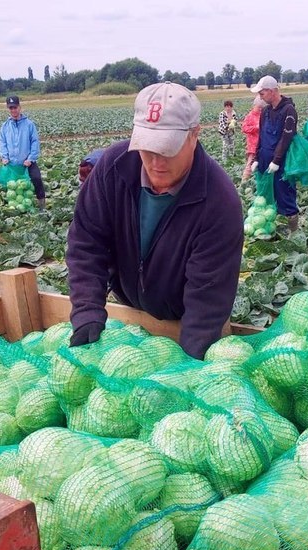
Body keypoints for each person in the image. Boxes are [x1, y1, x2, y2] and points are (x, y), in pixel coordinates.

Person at [66, 82, 244, 359]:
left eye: (167, 149)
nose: (156, 161)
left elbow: (207, 295)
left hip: (183, 316)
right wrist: (87, 311)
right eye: (148, 148)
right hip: (128, 306)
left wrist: (188, 366)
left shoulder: (219, 200)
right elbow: (87, 241)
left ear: (194, 135)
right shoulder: (113, 168)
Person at [250, 75, 300, 231]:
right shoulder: (265, 111)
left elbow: (286, 137)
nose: (260, 96)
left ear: (271, 91)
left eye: (262, 93)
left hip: (282, 162)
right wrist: (257, 158)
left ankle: (294, 230)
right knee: (265, 196)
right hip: (265, 159)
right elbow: (261, 136)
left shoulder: (289, 110)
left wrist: (277, 161)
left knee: (285, 194)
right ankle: (270, 228)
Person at [0, 96, 47, 210]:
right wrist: (4, 157)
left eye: (15, 107)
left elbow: (35, 142)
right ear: (8, 109)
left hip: (28, 162)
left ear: (20, 107)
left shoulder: (29, 124)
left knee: (36, 179)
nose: (13, 110)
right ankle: (15, 208)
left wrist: (30, 159)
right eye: (11, 108)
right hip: (13, 164)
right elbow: (2, 142)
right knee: (13, 188)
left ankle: (42, 206)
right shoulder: (5, 126)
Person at [241, 97, 267, 181]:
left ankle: (260, 181)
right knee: (250, 165)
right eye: (258, 107)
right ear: (254, 106)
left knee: (263, 165)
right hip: (253, 146)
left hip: (263, 145)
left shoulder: (264, 115)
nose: (260, 109)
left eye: (261, 107)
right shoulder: (249, 116)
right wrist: (256, 127)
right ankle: (244, 182)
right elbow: (244, 128)